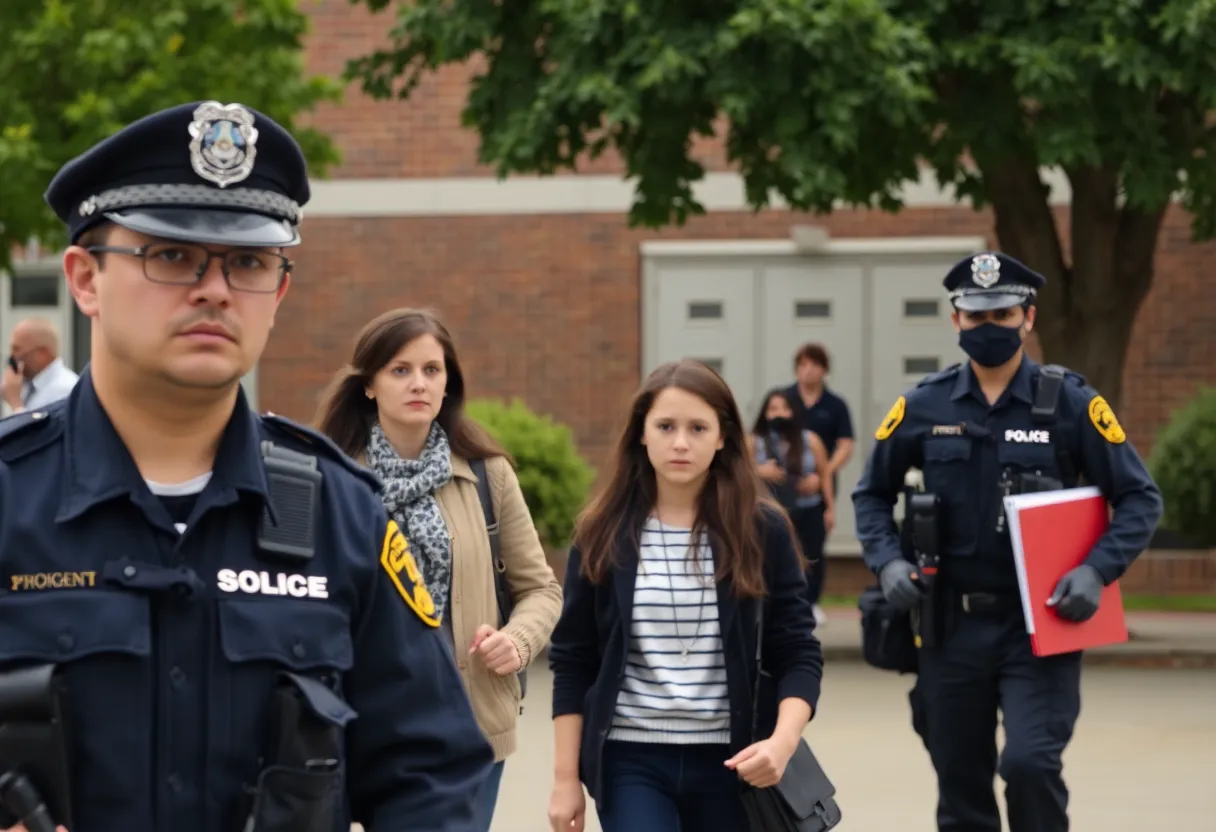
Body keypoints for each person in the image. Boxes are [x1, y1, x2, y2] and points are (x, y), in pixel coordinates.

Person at [0, 101, 494, 832]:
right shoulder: (12, 497)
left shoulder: (342, 514)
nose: (215, 289)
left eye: (249, 263)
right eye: (170, 256)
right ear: (84, 278)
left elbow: (432, 777)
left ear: (279, 291)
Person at [851, 251, 1163, 832]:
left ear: (1028, 317)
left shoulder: (1070, 402)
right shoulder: (923, 406)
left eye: (1002, 314)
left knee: (1029, 765)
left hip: (1039, 625)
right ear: (956, 322)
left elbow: (1140, 498)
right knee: (961, 782)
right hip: (948, 626)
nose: (989, 327)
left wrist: (1096, 571)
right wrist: (887, 563)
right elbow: (870, 495)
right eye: (976, 316)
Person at [546, 359, 824, 832]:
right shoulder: (601, 533)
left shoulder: (762, 530)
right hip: (629, 760)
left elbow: (797, 651)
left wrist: (782, 742)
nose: (680, 442)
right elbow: (573, 659)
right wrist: (565, 778)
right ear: (642, 433)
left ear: (722, 437)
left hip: (735, 762)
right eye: (666, 426)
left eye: (698, 427)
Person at [314, 306, 563, 831]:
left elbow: (541, 588)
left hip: (467, 721)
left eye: (432, 370)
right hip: (359, 717)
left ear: (449, 382)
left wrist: (517, 641)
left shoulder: (487, 474)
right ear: (369, 385)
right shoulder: (330, 478)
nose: (419, 384)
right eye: (400, 370)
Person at [785, 343, 854, 621]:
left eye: (813, 365)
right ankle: (788, 600)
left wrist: (824, 472)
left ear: (824, 369)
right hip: (787, 486)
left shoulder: (835, 405)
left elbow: (846, 445)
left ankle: (812, 601)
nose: (807, 370)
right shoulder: (784, 400)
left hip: (820, 487)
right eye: (802, 365)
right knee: (786, 542)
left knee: (814, 544)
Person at [749, 388, 835, 609]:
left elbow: (825, 473)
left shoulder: (810, 439)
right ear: (764, 413)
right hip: (770, 510)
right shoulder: (753, 441)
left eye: (785, 408)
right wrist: (759, 471)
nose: (780, 414)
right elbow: (738, 473)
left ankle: (811, 603)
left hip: (807, 508)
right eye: (773, 408)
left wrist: (828, 505)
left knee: (812, 556)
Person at [3, 317, 79, 413]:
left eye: (17, 349)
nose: (12, 356)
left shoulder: (65, 390)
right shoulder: (26, 386)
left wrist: (15, 403)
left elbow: (38, 428)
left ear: (42, 355)